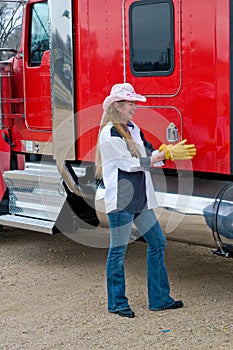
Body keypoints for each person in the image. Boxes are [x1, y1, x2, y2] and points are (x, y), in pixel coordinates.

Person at [95, 83, 196, 318]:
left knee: (157, 242)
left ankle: (160, 299)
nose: (134, 107)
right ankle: (117, 303)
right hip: (122, 201)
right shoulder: (109, 133)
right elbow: (129, 164)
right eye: (130, 103)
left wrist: (162, 152)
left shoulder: (133, 128)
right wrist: (163, 155)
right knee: (118, 251)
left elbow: (147, 153)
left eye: (134, 103)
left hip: (139, 198)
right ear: (117, 106)